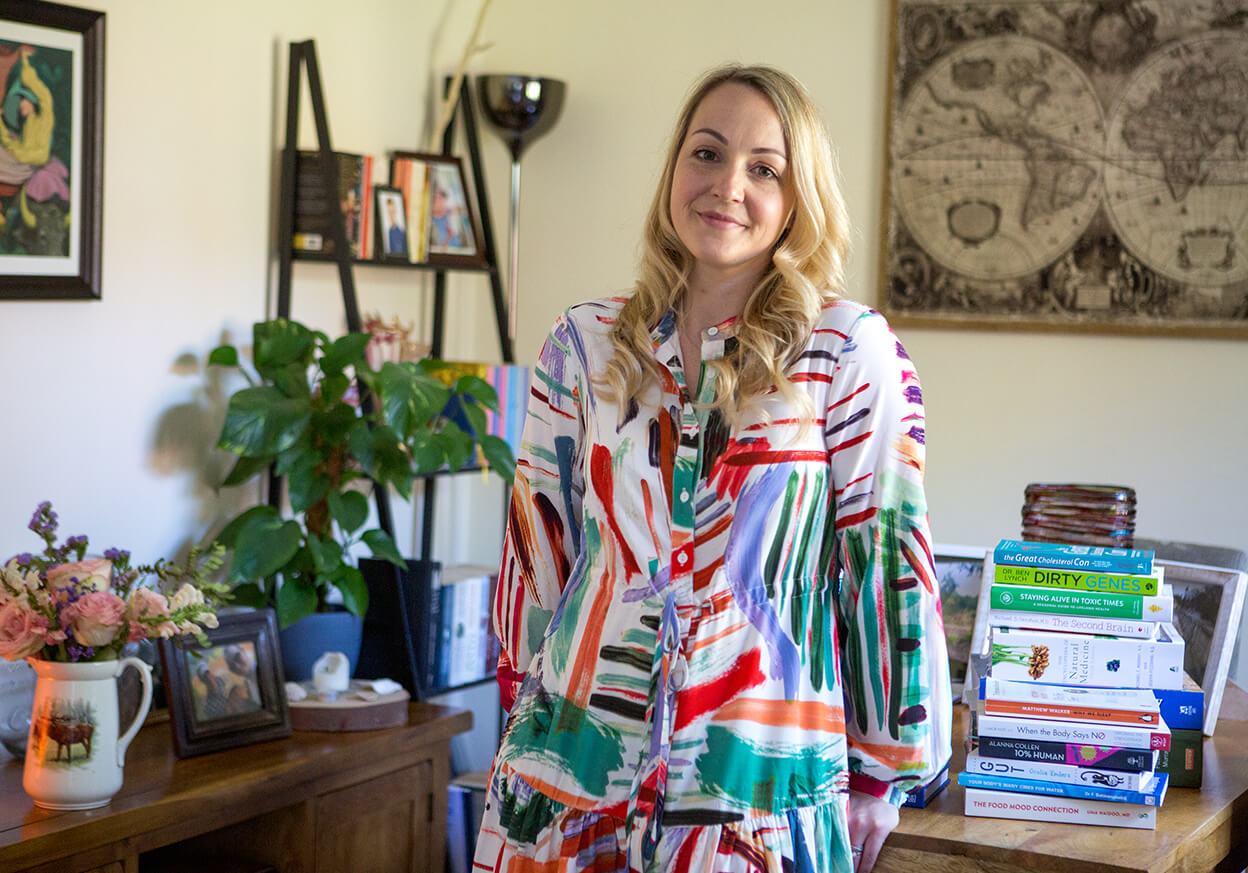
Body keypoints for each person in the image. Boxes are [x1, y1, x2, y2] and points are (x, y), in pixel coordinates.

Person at [475, 64, 951, 873]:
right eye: (707, 153)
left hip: (754, 799)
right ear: (673, 171)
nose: (727, 185)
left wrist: (884, 773)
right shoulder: (584, 343)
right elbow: (536, 550)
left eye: (764, 168)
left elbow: (887, 565)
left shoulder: (847, 351)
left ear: (798, 198)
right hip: (567, 783)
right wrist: (521, 713)